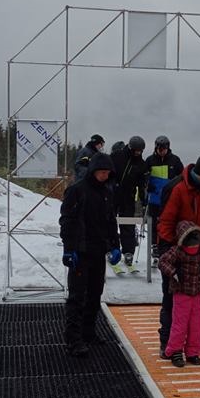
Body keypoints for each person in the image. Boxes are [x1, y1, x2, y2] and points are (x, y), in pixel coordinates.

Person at [157, 152, 200, 358]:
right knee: (172, 298)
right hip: (175, 249)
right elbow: (166, 221)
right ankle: (167, 342)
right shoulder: (177, 188)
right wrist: (173, 251)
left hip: (196, 249)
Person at [59, 151, 121, 356]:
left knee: (95, 295)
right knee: (77, 297)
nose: (104, 176)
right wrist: (69, 249)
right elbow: (67, 221)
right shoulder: (77, 190)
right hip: (80, 251)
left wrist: (115, 245)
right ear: (93, 171)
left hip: (98, 251)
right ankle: (73, 339)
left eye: (107, 173)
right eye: (101, 172)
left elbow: (110, 221)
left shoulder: (107, 192)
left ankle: (88, 332)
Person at [158, 221, 200, 367]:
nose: (193, 248)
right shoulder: (176, 251)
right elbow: (162, 262)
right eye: (191, 245)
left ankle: (192, 352)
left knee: (197, 325)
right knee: (180, 324)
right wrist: (174, 272)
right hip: (181, 293)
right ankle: (175, 351)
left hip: (197, 293)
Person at [144, 135, 184, 263]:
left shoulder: (174, 160)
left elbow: (182, 176)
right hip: (154, 198)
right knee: (154, 223)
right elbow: (143, 175)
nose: (162, 151)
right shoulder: (150, 160)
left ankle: (167, 245)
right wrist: (147, 184)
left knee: (168, 222)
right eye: (160, 149)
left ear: (168, 148)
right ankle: (154, 246)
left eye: (164, 149)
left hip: (169, 198)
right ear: (156, 148)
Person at [111, 135, 147, 267]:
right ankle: (111, 248)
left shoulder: (141, 164)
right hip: (113, 194)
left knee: (128, 224)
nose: (138, 153)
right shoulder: (117, 156)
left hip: (128, 196)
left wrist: (144, 200)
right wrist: (110, 185)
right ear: (130, 148)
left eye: (140, 151)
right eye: (136, 151)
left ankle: (128, 251)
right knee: (110, 222)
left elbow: (142, 184)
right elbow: (108, 172)